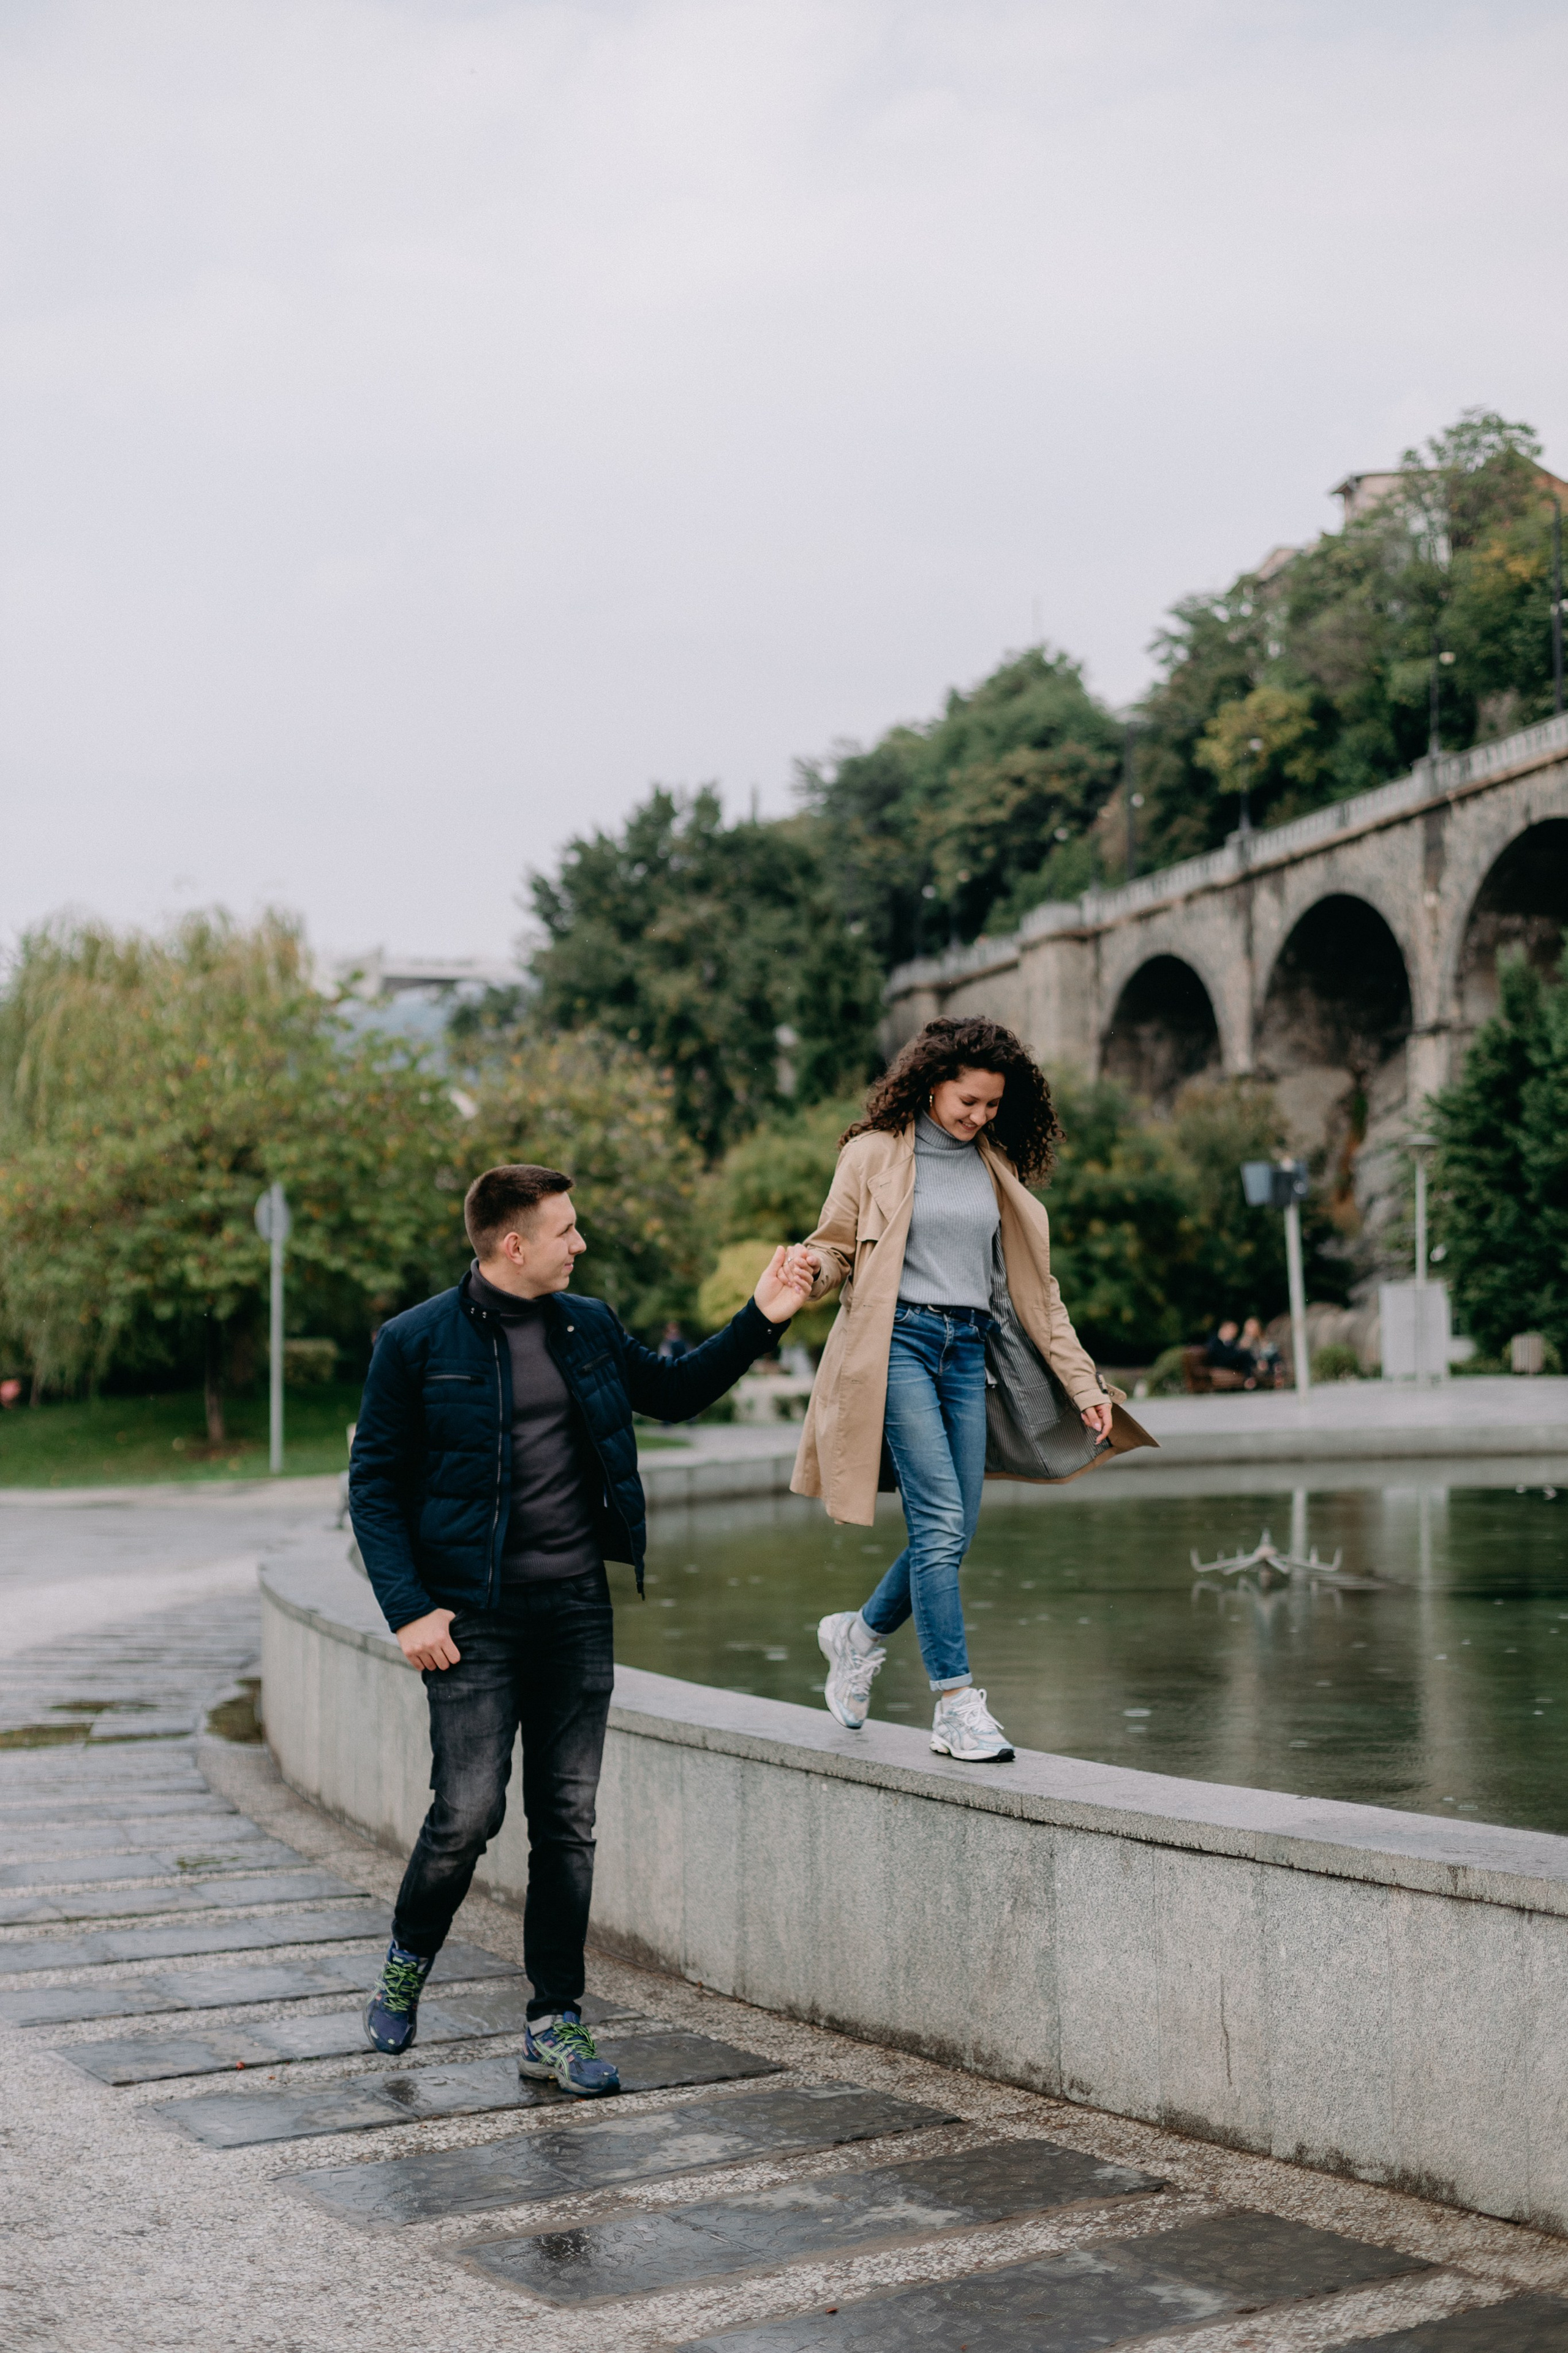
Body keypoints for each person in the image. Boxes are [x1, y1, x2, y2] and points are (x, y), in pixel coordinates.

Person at [349, 1162, 812, 2090]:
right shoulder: (414, 1342)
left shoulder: (588, 1325)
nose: (581, 1242)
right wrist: (408, 1611)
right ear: (512, 1243)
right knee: (468, 1812)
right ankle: (407, 1958)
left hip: (573, 1610)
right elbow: (373, 1486)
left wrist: (763, 1315)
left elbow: (674, 1392)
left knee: (567, 1820)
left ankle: (554, 2020)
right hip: (468, 1620)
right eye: (566, 1229)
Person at [787, 1016, 1116, 1764]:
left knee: (954, 1528)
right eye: (968, 1101)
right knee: (939, 1523)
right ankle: (955, 1703)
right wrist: (808, 1271)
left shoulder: (993, 1167)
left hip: (968, 1352)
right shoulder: (871, 1155)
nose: (978, 1117)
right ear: (931, 1083)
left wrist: (1084, 1381)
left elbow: (1041, 1296)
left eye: (992, 1105)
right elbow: (834, 1244)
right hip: (896, 1343)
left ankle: (858, 1634)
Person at [1204, 1320, 1257, 1389]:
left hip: (1230, 1361)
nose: (1234, 1333)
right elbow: (1217, 1354)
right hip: (1221, 1362)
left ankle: (1250, 1376)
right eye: (1232, 1330)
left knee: (1245, 1355)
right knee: (1244, 1355)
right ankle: (1253, 1371)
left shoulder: (1230, 1341)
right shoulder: (1215, 1341)